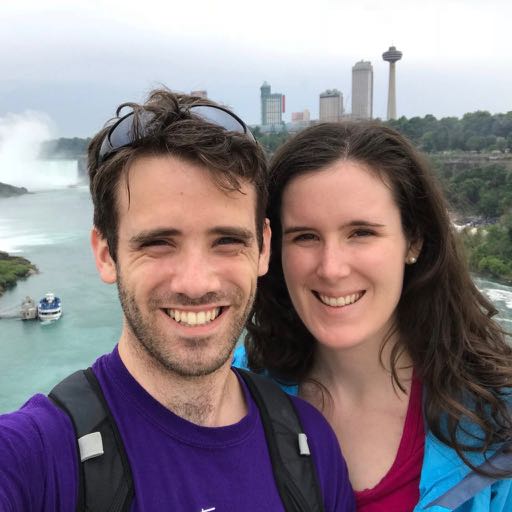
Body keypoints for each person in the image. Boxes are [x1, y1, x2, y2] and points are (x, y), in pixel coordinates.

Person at [0, 90, 355, 511]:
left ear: (263, 248)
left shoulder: (309, 446)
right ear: (106, 254)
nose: (195, 282)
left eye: (227, 241)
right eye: (158, 243)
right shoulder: (33, 457)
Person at [235, 121, 512, 511]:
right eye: (305, 236)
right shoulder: (233, 391)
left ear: (413, 240)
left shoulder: (497, 421)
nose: (332, 268)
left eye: (361, 232)